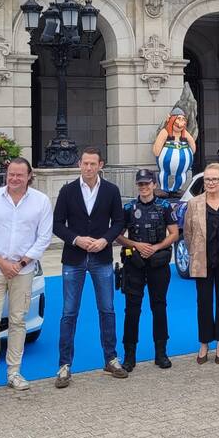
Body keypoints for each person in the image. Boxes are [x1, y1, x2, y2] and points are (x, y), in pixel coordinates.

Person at [0, 157, 53, 400]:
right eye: (11, 174)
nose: (14, 179)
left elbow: (44, 237)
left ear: (29, 176)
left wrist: (21, 263)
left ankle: (14, 373)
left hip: (23, 271)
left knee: (17, 321)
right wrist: (2, 263)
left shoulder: (41, 201)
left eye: (19, 175)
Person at [52, 147, 128, 388]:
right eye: (84, 163)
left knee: (107, 309)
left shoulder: (111, 190)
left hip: (101, 257)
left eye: (92, 164)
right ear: (79, 164)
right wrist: (76, 239)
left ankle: (111, 359)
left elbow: (119, 222)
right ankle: (64, 366)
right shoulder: (67, 190)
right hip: (74, 258)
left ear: (100, 165)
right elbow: (57, 224)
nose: (88, 168)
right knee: (69, 313)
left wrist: (105, 240)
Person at [117, 168, 179, 372]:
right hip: (134, 264)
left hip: (158, 263)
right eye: (140, 184)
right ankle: (129, 355)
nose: (144, 187)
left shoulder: (164, 207)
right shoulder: (128, 207)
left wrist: (156, 247)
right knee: (131, 310)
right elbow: (118, 235)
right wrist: (135, 244)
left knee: (159, 307)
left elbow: (174, 233)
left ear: (154, 184)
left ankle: (161, 353)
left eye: (147, 183)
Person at [183, 163, 219, 364]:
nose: (211, 183)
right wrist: (196, 251)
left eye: (215, 179)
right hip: (202, 261)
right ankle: (204, 343)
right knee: (203, 303)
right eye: (207, 179)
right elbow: (188, 233)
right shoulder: (193, 204)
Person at [153, 107, 196, 195]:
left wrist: (192, 152)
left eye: (183, 119)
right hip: (165, 162)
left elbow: (192, 143)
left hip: (182, 165)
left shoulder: (184, 134)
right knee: (164, 173)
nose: (181, 123)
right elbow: (157, 148)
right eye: (178, 119)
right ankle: (164, 189)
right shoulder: (165, 132)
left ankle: (175, 189)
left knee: (181, 176)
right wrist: (157, 152)